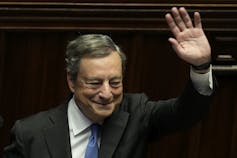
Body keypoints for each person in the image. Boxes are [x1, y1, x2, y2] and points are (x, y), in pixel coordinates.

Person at [3, 7, 216, 158]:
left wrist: (201, 67)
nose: (106, 94)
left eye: (114, 82)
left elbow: (185, 113)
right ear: (71, 81)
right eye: (95, 83)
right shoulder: (30, 134)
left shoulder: (137, 114)